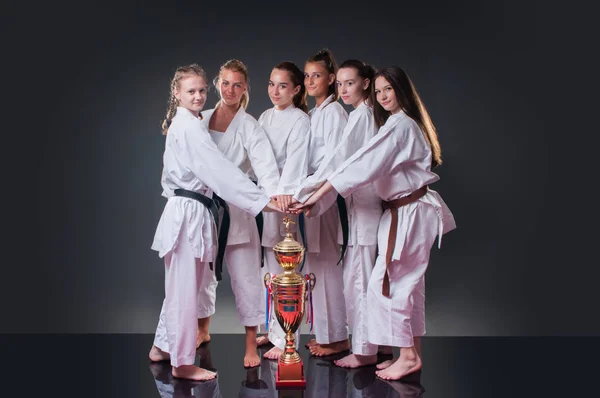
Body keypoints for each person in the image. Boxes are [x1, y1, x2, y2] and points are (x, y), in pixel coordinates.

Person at [290, 66, 456, 380]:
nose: (382, 96)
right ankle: (411, 354)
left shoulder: (400, 125)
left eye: (388, 90)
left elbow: (361, 165)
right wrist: (318, 193)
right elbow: (356, 163)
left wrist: (316, 194)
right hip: (407, 211)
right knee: (407, 285)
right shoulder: (398, 123)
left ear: (402, 90)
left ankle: (407, 356)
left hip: (407, 212)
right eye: (379, 92)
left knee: (389, 284)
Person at [148, 63, 280, 380]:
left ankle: (162, 348)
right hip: (189, 212)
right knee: (183, 291)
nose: (198, 96)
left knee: (182, 288)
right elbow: (220, 172)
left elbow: (230, 171)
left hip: (194, 211)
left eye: (201, 90)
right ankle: (182, 363)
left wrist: (267, 195)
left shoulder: (191, 123)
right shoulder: (192, 126)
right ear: (177, 93)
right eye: (190, 91)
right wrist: (263, 202)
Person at [293, 59, 383, 368]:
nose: (344, 89)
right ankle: (370, 344)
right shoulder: (353, 115)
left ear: (365, 83)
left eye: (349, 83)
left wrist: (308, 195)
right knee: (356, 275)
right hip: (347, 200)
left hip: (357, 203)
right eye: (342, 84)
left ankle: (359, 347)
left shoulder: (353, 116)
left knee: (356, 277)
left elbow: (336, 163)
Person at [199, 59, 281, 368]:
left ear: (244, 88)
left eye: (237, 84)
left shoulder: (249, 125)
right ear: (217, 83)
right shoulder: (201, 119)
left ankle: (250, 341)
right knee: (203, 273)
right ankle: (202, 329)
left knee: (246, 277)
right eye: (225, 83)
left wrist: (275, 196)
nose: (230, 89)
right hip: (206, 208)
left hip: (240, 208)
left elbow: (265, 167)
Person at [255, 61, 311, 360]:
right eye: (271, 84)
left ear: (296, 89)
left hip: (283, 198)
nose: (275, 91)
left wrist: (284, 195)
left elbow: (296, 161)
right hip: (265, 196)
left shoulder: (300, 119)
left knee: (285, 266)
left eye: (283, 86)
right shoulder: (264, 116)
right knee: (266, 264)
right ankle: (274, 328)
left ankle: (287, 336)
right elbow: (258, 156)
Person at [301, 48, 350, 357]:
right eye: (306, 76)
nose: (310, 81)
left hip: (326, 194)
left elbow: (334, 162)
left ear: (331, 78)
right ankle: (325, 332)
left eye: (316, 75)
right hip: (311, 192)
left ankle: (338, 338)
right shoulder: (313, 113)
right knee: (316, 263)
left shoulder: (334, 113)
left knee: (329, 264)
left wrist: (309, 192)